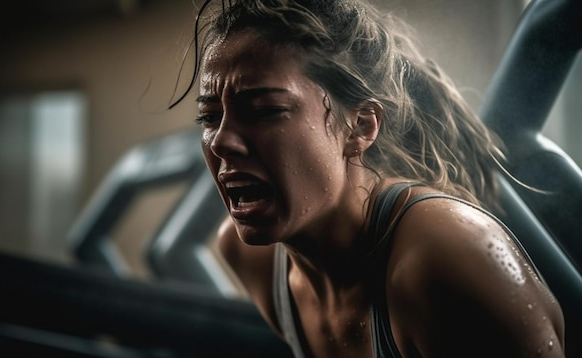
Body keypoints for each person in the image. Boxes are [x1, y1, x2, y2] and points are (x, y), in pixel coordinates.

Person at [170, 0, 565, 356]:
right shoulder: (248, 256)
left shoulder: (447, 260)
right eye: (209, 117)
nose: (220, 142)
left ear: (360, 127)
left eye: (265, 109)